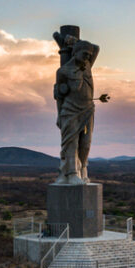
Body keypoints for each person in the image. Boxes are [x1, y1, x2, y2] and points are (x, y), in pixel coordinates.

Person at [52, 33, 99, 184]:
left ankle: (82, 168)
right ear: (75, 52)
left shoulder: (87, 67)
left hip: (87, 109)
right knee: (70, 142)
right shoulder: (63, 71)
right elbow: (59, 96)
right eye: (85, 54)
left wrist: (76, 41)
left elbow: (97, 48)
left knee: (85, 143)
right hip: (70, 110)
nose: (87, 57)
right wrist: (59, 115)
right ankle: (70, 173)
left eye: (89, 55)